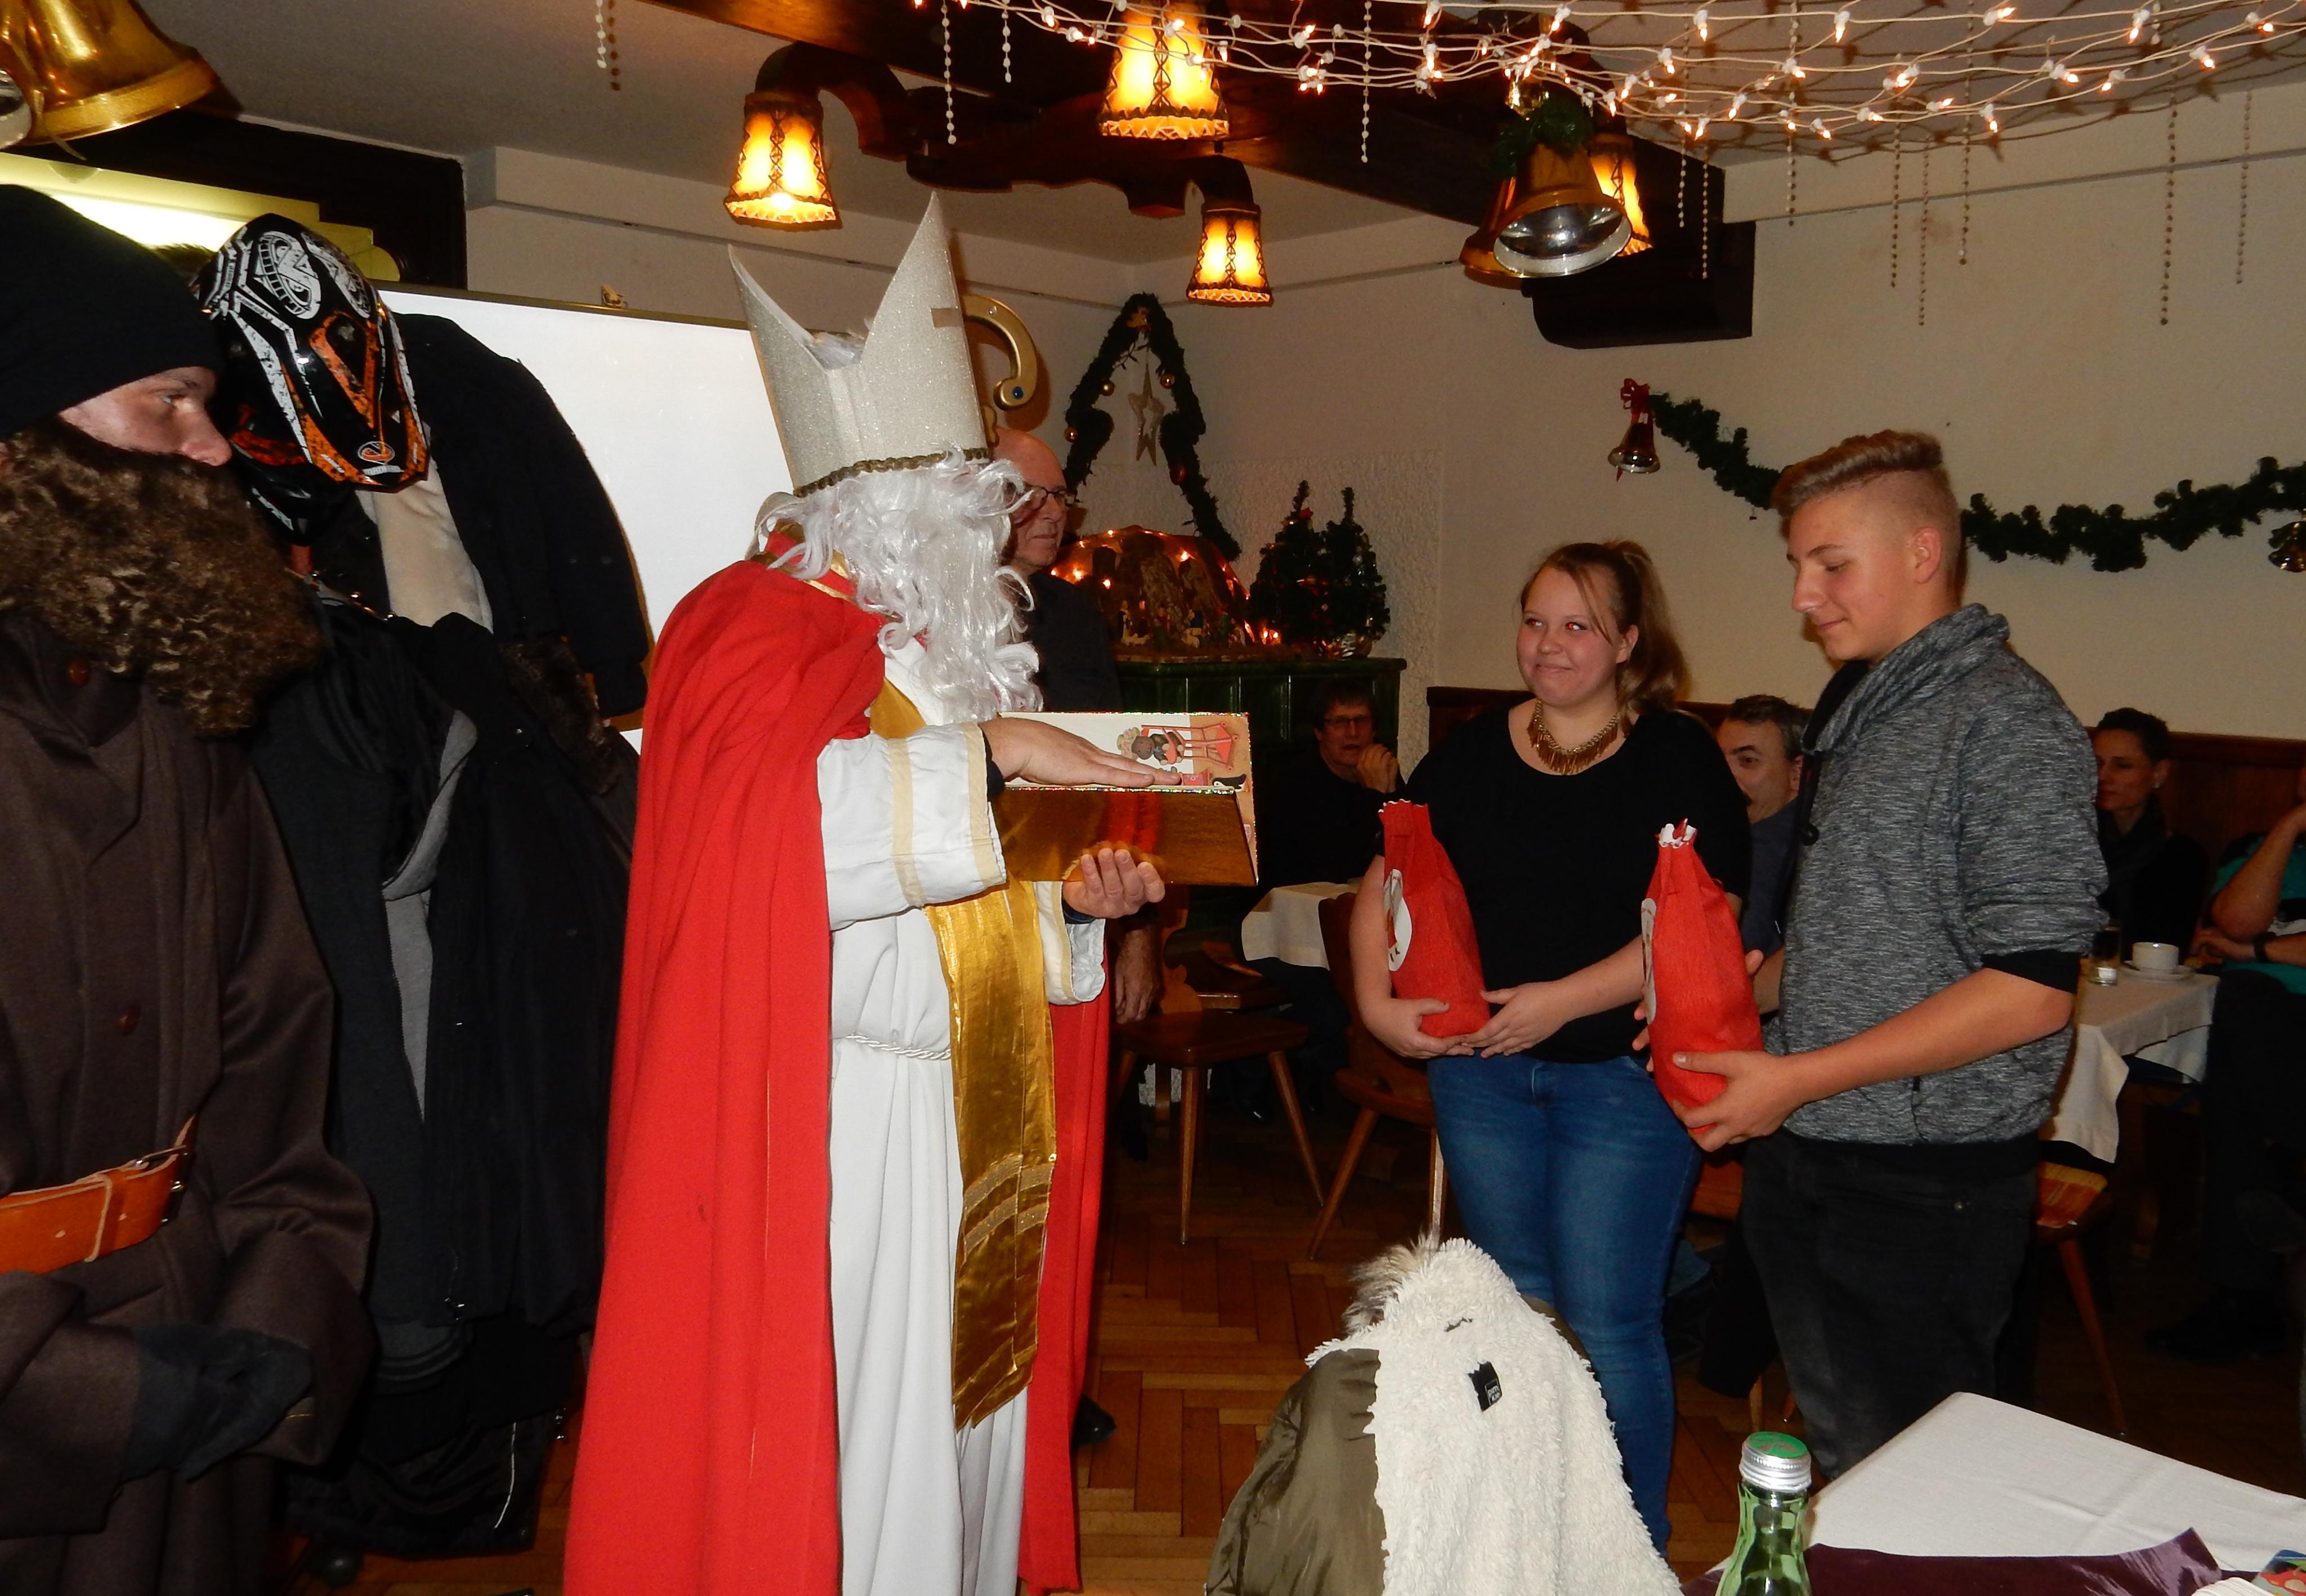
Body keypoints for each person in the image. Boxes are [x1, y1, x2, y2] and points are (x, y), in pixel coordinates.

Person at [565, 199, 1169, 1596]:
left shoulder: (955, 661)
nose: (997, 529)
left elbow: (986, 885)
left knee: (965, 1447)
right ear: (889, 504)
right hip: (839, 1119)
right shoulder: (746, 626)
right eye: (973, 499)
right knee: (857, 1450)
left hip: (982, 1102)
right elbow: (766, 841)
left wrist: (1081, 908)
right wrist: (992, 756)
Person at [0, 188, 373, 1593]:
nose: (213, 446)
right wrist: (87, 1392)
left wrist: (282, 1311)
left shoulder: (169, 712)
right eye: (171, 401)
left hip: (192, 1341)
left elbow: (278, 1032)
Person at [1674, 431, 2103, 1479]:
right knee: (1848, 1458)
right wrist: (1721, 1000)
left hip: (1922, 1182)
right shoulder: (1863, 709)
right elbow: (1843, 941)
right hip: (1816, 1144)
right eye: (1798, 565)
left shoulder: (2009, 723)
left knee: (1913, 1478)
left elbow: (2032, 992)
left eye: (1831, 564)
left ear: (1921, 553)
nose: (1802, 596)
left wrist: (1796, 1079)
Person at [1349, 540, 1749, 1548]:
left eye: (1578, 625)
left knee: (1610, 1320)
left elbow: (1707, 923)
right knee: (1515, 1310)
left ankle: (1630, 1549)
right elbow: (1387, 874)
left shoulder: (1677, 755)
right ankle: (1530, 1532)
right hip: (1483, 1077)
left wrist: (1562, 1001)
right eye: (1535, 620)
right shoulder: (1474, 750)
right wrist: (1374, 1004)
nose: (1549, 643)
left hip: (1622, 1082)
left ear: (1628, 642)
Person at [988, 425, 1154, 1454]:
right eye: (1030, 495)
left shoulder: (1075, 619)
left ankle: (1056, 1381)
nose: (1052, 515)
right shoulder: (926, 617)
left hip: (1074, 917)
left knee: (1067, 1168)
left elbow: (1116, 787)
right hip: (966, 928)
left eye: (1061, 498)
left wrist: (1137, 937)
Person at [2145, 758, 2306, 1363]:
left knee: (2234, 1094)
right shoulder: (2262, 848)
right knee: (2240, 1008)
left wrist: (2255, 950)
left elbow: (2241, 939)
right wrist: (2290, 827)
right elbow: (2233, 919)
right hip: (2259, 1026)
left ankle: (2242, 1299)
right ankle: (2288, 1173)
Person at [2092, 708, 2209, 954]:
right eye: (2097, 763)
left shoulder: (2182, 856)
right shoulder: (2069, 842)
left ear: (2159, 773)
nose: (2103, 776)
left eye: (2122, 766)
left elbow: (2170, 945)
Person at [1262, 681, 1400, 889]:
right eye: (1340, 722)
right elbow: (1339, 866)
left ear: (1374, 730)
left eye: (1361, 721)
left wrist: (1388, 795)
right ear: (1319, 732)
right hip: (1303, 898)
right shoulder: (1296, 783)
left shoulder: (1382, 768)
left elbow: (1407, 850)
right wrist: (1374, 796)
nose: (1352, 732)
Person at [1715, 694, 1809, 956]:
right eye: (1717, 761)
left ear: (1797, 773)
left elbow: (1726, 956)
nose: (1723, 778)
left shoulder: (1759, 850)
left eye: (1748, 761)